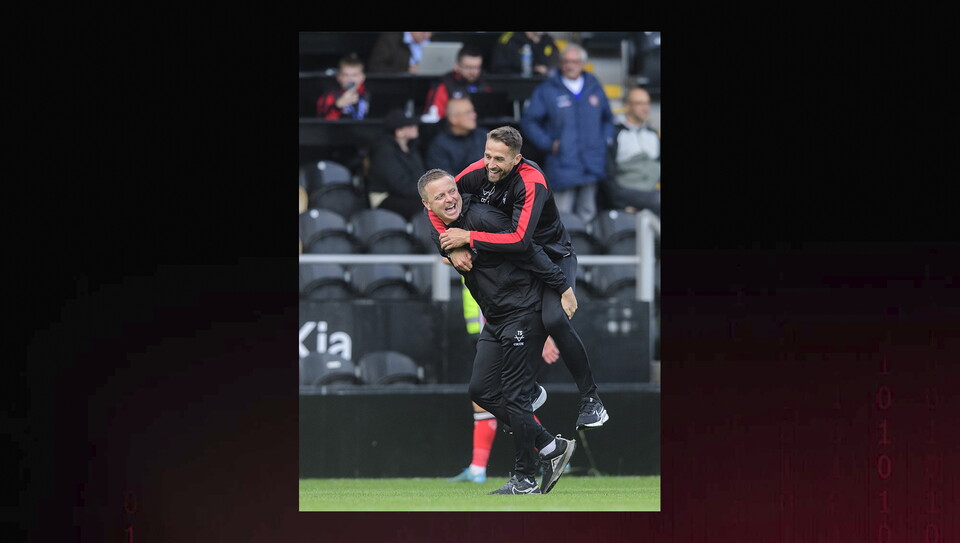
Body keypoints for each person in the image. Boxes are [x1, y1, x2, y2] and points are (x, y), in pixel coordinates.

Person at [428, 126, 610, 431]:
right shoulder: (477, 171)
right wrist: (449, 249)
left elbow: (520, 240)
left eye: (499, 158)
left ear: (517, 159)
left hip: (552, 256)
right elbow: (435, 203)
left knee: (554, 319)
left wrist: (468, 238)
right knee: (510, 313)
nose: (491, 164)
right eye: (487, 155)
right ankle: (530, 392)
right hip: (516, 261)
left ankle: (591, 398)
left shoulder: (531, 180)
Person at [419, 169, 578, 495]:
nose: (449, 199)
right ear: (427, 205)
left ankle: (524, 479)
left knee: (514, 396)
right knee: (481, 390)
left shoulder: (483, 216)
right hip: (495, 318)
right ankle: (551, 447)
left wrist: (563, 288)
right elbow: (439, 236)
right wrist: (450, 249)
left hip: (522, 310)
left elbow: (528, 248)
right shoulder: (441, 229)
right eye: (440, 196)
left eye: (452, 191)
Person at [520, 42, 616, 224]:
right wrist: (548, 144)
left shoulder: (594, 85)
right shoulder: (548, 89)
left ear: (583, 64)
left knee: (588, 213)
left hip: (591, 162)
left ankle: (586, 242)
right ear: (561, 63)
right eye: (566, 61)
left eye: (575, 61)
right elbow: (529, 121)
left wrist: (604, 140)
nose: (570, 65)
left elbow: (608, 118)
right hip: (563, 163)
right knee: (561, 217)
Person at [599, 86, 660, 215]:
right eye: (639, 103)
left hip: (651, 192)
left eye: (647, 103)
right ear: (627, 106)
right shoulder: (615, 134)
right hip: (626, 192)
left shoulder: (653, 134)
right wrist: (620, 204)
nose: (645, 108)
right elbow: (607, 174)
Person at [366, 109, 426, 219]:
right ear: (399, 132)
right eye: (410, 126)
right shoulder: (385, 152)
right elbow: (399, 185)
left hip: (410, 194)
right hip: (384, 197)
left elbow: (420, 175)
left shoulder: (411, 148)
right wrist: (426, 192)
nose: (415, 127)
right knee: (425, 207)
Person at [421, 44, 493, 123]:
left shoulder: (485, 83)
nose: (473, 72)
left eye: (477, 67)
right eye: (468, 67)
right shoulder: (444, 84)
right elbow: (435, 116)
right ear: (457, 66)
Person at [425, 97, 487, 175]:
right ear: (453, 119)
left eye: (473, 111)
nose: (474, 115)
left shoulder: (483, 136)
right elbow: (444, 178)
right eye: (468, 112)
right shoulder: (438, 146)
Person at [315, 53, 370, 120]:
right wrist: (337, 106)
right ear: (338, 77)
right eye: (345, 75)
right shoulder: (329, 96)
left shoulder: (369, 93)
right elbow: (323, 123)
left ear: (362, 77)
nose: (350, 79)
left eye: (355, 75)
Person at [489, 32, 561, 76]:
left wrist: (547, 70)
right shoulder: (510, 40)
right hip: (516, 87)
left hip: (543, 86)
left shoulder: (547, 40)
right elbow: (499, 69)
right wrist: (532, 69)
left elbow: (555, 64)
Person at [367, 32, 432, 74]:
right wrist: (407, 70)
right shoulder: (391, 39)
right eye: (423, 32)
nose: (427, 36)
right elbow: (375, 67)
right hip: (398, 85)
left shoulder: (432, 40)